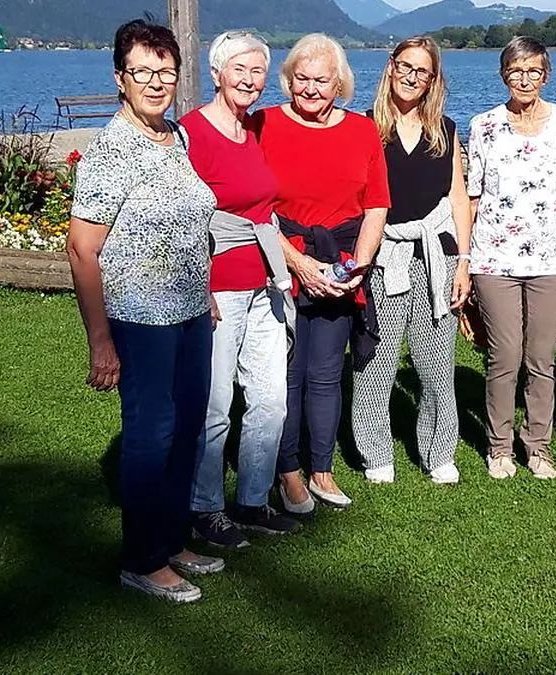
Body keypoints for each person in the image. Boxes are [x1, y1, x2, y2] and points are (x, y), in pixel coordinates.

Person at [66, 19, 222, 603]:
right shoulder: (112, 150)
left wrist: (201, 287)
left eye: (166, 72)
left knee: (188, 430)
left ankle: (173, 539)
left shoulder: (174, 136)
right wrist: (100, 340)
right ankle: (141, 558)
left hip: (188, 314)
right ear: (119, 78)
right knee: (151, 435)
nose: (156, 83)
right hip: (140, 319)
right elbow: (83, 248)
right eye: (143, 72)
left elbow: (188, 222)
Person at [250, 33, 390, 510]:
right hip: (279, 262)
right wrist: (300, 264)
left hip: (342, 265)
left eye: (321, 80)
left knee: (327, 373)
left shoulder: (362, 131)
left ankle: (322, 469)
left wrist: (358, 266)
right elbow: (255, 206)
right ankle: (286, 470)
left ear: (340, 84)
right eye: (301, 79)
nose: (310, 89)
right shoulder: (263, 123)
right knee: (286, 372)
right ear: (288, 80)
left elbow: (376, 206)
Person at [179, 30, 302, 548]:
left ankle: (253, 499)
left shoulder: (252, 127)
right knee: (214, 400)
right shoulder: (190, 133)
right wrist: (197, 284)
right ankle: (203, 507)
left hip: (265, 280)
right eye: (239, 70)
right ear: (216, 73)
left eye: (257, 72)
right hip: (220, 284)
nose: (250, 81)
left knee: (271, 398)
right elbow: (183, 219)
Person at [351, 36, 473, 485]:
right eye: (405, 66)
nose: (411, 76)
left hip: (434, 256)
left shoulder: (447, 130)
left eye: (422, 71)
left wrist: (462, 261)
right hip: (383, 256)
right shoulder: (364, 128)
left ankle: (439, 451)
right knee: (375, 360)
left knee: (436, 362)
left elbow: (458, 197)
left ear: (432, 79)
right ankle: (375, 452)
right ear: (390, 67)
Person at [466, 36, 556, 480]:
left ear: (546, 75)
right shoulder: (484, 126)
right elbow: (472, 197)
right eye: (516, 71)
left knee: (541, 358)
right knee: (504, 356)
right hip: (493, 258)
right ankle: (499, 445)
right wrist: (462, 259)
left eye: (533, 71)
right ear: (504, 75)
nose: (524, 79)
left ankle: (537, 444)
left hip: (552, 259)